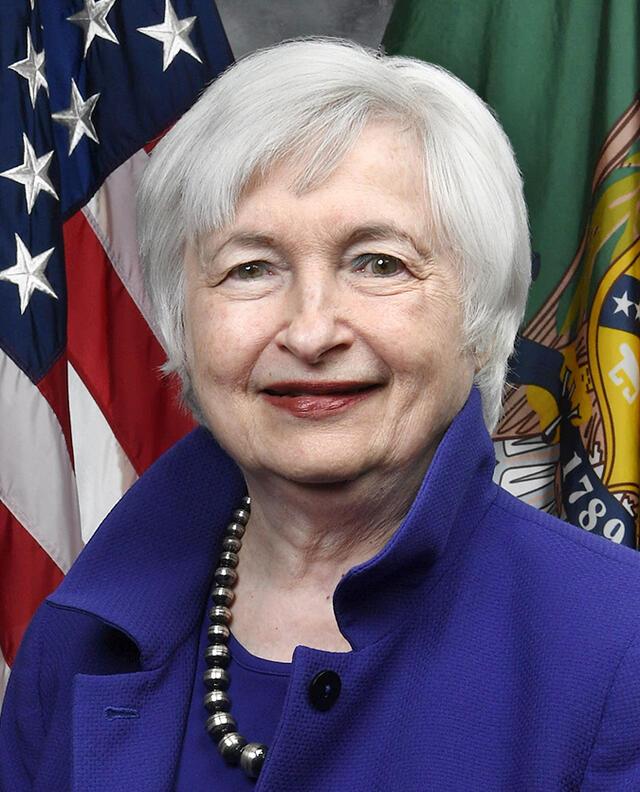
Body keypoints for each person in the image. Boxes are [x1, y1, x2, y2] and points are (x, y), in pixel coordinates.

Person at [2, 37, 640, 792]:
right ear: (183, 324)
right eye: (251, 268)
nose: (309, 331)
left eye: (378, 263)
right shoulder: (76, 638)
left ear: (478, 319)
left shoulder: (618, 643)